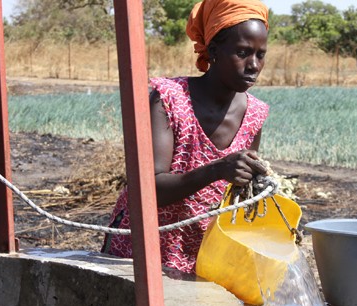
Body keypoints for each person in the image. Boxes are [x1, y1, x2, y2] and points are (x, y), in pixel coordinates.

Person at [102, 0, 270, 274]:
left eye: (260, 55)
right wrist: (218, 169)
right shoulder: (169, 99)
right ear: (213, 51)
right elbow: (149, 188)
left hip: (204, 253)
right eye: (242, 52)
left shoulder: (255, 114)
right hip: (143, 249)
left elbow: (238, 195)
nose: (253, 65)